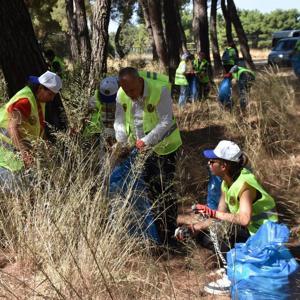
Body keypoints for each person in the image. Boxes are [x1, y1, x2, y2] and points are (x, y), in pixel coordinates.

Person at [176, 140, 278, 295]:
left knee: (222, 233)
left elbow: (244, 219)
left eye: (212, 161)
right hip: (249, 231)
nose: (208, 164)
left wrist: (213, 214)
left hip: (264, 235)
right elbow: (218, 216)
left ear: (224, 166)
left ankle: (233, 276)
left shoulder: (245, 185)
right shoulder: (226, 183)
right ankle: (230, 268)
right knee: (205, 235)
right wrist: (193, 228)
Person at [114, 67, 182, 248]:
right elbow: (119, 122)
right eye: (126, 90)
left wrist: (146, 141)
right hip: (137, 150)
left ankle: (170, 233)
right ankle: (155, 233)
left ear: (139, 81)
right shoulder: (121, 94)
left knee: (164, 189)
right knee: (147, 190)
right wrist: (122, 143)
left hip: (164, 148)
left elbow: (166, 121)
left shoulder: (160, 90)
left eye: (132, 90)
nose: (130, 94)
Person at [0, 71, 62, 190]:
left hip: (15, 152)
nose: (52, 98)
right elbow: (12, 127)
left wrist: (45, 143)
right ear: (40, 88)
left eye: (54, 95)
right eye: (50, 94)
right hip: (5, 153)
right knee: (14, 189)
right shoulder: (25, 101)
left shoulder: (38, 99)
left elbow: (36, 126)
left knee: (26, 187)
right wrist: (24, 153)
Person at [83, 76, 118, 143]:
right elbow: (86, 115)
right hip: (96, 132)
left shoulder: (123, 97)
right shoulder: (94, 99)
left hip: (115, 130)